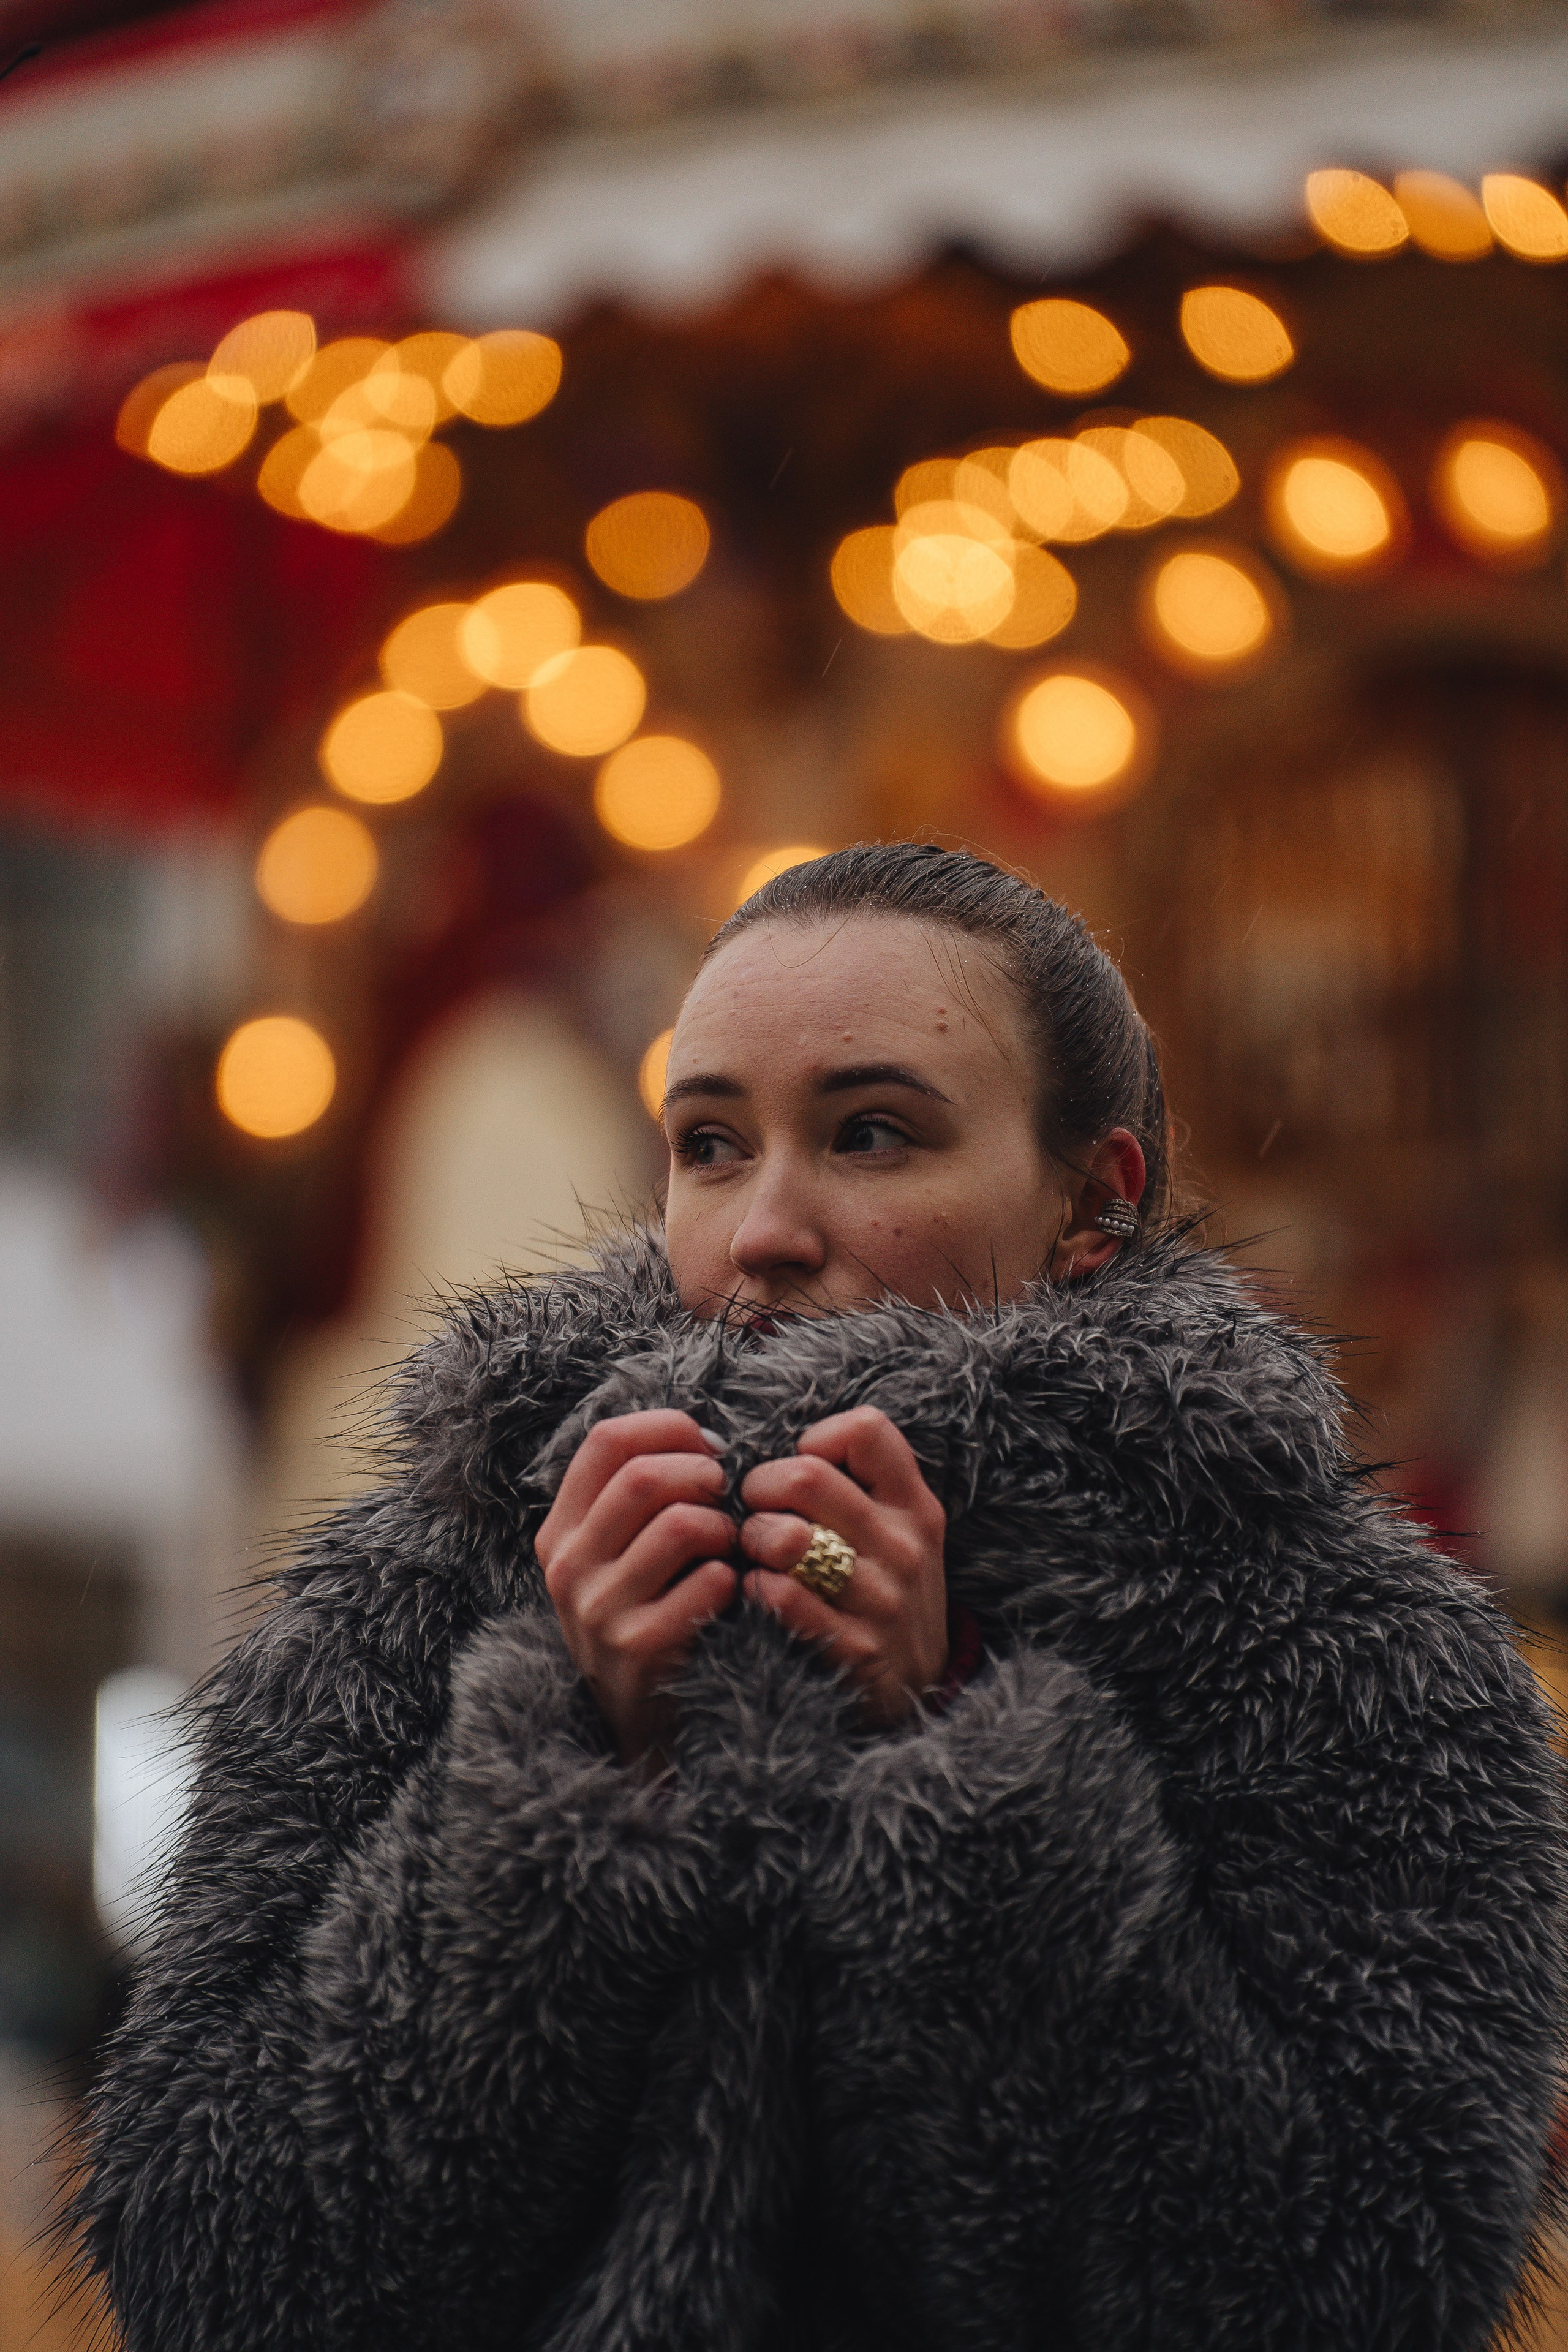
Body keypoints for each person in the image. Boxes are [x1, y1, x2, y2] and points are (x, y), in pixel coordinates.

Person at [77, 843, 1564, 2351]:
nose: (763, 1228)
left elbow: (1357, 2289)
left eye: (868, 1134)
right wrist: (566, 1781)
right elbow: (218, 2274)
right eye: (711, 1145)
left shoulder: (1341, 1656)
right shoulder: (420, 1591)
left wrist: (963, 1757)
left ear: (1090, 1205)